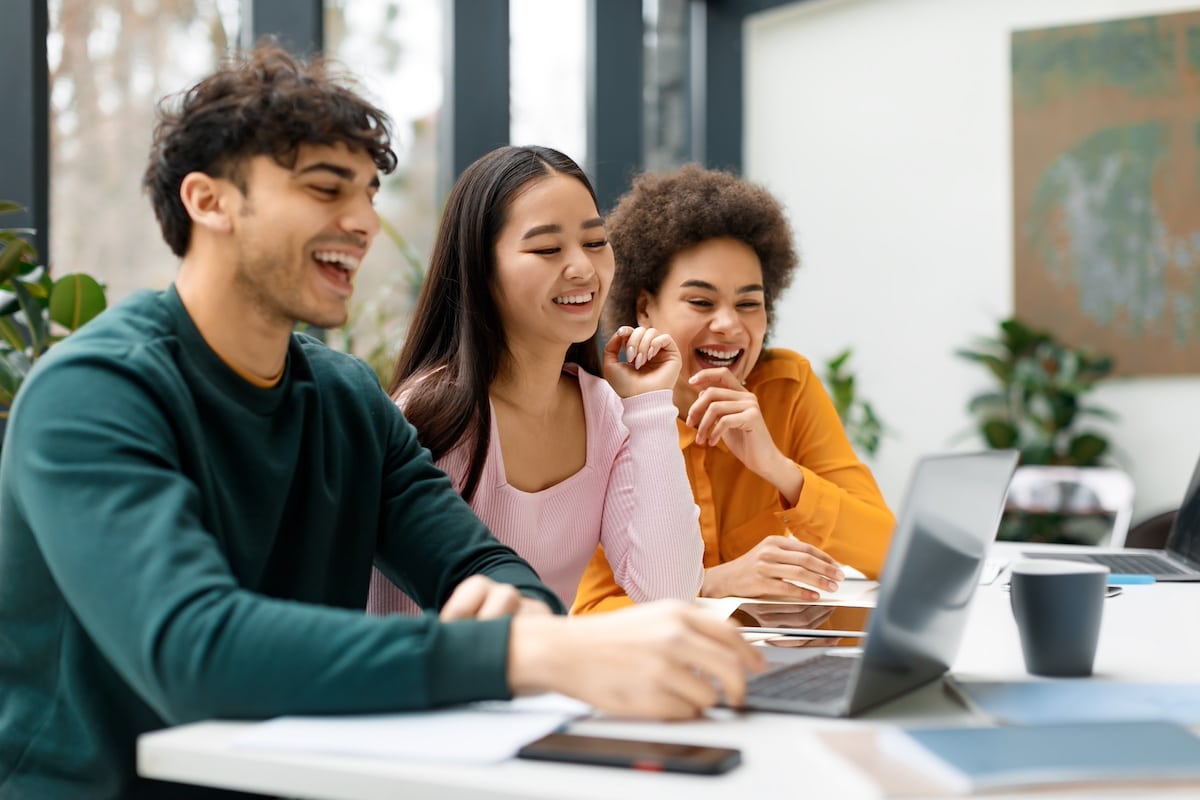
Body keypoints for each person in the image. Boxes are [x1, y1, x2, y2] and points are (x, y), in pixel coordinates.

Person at [0, 48, 761, 799]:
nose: (362, 222)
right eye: (328, 189)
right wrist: (517, 652)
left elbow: (485, 568)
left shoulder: (343, 397)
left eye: (368, 192)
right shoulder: (93, 393)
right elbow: (195, 649)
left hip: (294, 777)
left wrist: (524, 621)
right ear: (209, 201)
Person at [367, 145, 702, 616]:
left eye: (595, 242)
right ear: (481, 269)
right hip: (433, 685)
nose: (583, 269)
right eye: (547, 249)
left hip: (538, 681)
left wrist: (647, 406)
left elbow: (668, 590)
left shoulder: (604, 409)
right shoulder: (433, 416)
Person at [572, 165, 896, 614]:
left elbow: (892, 553)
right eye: (701, 302)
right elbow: (593, 611)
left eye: (749, 303)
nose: (729, 325)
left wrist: (777, 467)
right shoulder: (602, 414)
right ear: (645, 307)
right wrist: (711, 584)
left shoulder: (787, 387)